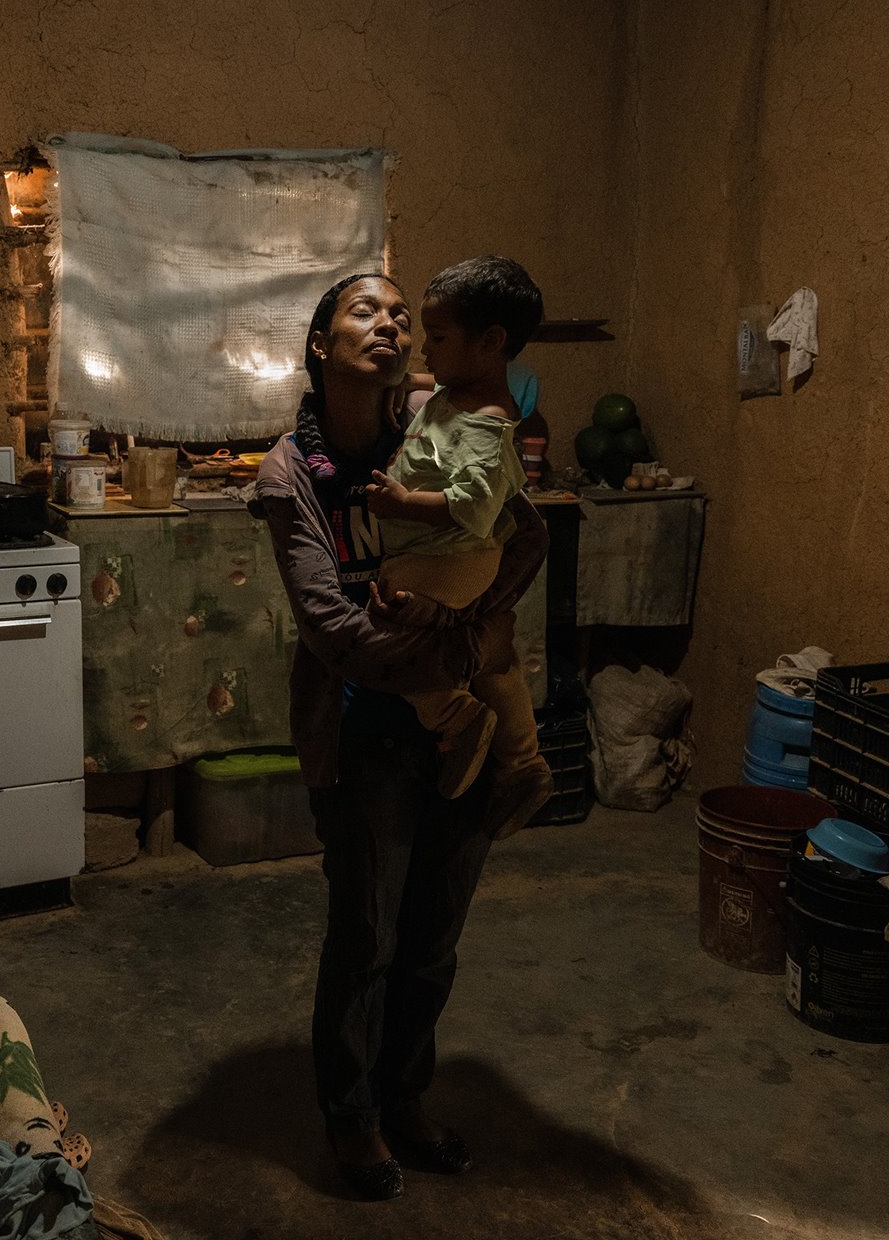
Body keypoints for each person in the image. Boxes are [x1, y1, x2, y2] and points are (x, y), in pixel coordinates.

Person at [253, 273, 548, 1200]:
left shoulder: (443, 421)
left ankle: (405, 1095)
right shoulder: (290, 472)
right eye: (362, 311)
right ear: (318, 344)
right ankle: (353, 1119)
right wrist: (440, 662)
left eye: (399, 314)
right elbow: (328, 624)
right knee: (368, 935)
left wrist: (479, 625)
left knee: (435, 934)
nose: (388, 324)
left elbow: (525, 536)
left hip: (455, 702)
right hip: (365, 724)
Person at [363, 255, 556, 839]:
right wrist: (405, 380)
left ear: (491, 341)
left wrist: (402, 505)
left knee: (391, 627)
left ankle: (455, 714)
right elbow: (425, 381)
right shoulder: (459, 392)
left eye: (438, 337)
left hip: (457, 554)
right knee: (495, 651)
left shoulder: (486, 423)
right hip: (451, 552)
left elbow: (472, 506)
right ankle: (523, 763)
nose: (423, 351)